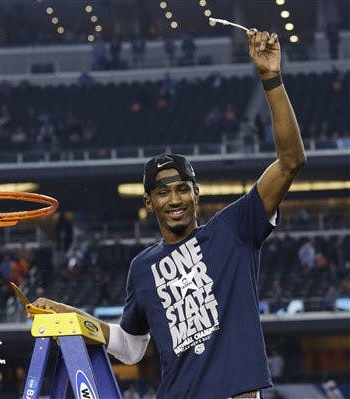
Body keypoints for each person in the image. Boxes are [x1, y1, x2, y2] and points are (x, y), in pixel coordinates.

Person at [33, 29, 306, 399]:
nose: (174, 199)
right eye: (162, 192)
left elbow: (290, 162)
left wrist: (271, 78)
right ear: (149, 203)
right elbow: (131, 347)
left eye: (181, 189)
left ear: (197, 193)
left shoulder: (233, 229)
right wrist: (71, 316)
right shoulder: (141, 267)